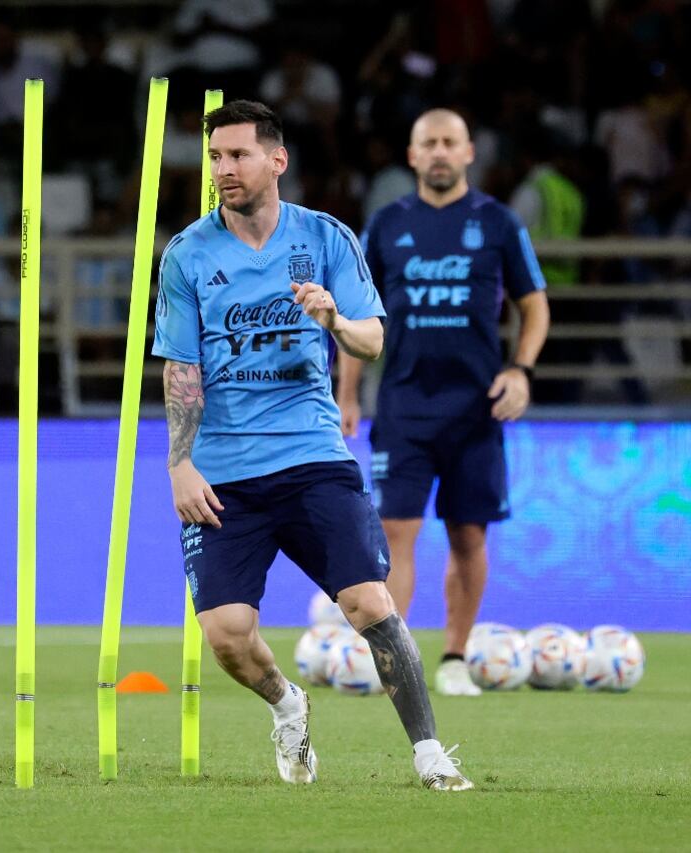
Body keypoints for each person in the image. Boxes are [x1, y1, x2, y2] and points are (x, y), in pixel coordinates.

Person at [153, 99, 471, 791]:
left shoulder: (326, 236)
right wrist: (179, 464)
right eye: (215, 156)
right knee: (227, 636)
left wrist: (333, 319)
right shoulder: (187, 253)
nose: (224, 169)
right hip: (225, 474)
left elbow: (373, 339)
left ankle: (430, 754)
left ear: (277, 160)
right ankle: (287, 704)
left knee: (370, 605)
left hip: (312, 457)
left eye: (238, 155)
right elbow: (182, 368)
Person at [337, 109, 550, 696]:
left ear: (468, 152)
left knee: (468, 535)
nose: (438, 151)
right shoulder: (386, 225)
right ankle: (393, 662)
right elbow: (358, 314)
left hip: (476, 408)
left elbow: (534, 304)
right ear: (412, 156)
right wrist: (346, 394)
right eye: (427, 142)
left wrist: (521, 370)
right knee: (394, 532)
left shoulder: (498, 222)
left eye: (448, 142)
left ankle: (455, 657)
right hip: (403, 406)